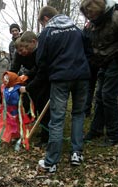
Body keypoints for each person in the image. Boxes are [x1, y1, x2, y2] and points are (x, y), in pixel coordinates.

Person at [20, 6, 90, 173]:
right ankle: (76, 153)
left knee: (57, 119)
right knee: (78, 114)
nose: (43, 26)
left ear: (45, 19)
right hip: (82, 76)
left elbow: (41, 61)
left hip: (60, 79)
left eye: (42, 23)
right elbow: (88, 51)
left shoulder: (47, 33)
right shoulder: (77, 30)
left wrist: (38, 81)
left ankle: (51, 161)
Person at [80, 0, 118, 146]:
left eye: (90, 12)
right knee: (99, 95)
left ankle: (114, 134)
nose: (88, 16)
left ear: (98, 8)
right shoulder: (95, 22)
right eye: (86, 13)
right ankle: (96, 129)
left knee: (108, 95)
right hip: (104, 62)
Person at [11, 31, 50, 147]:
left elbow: (39, 70)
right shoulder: (19, 55)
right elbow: (14, 68)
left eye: (23, 50)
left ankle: (46, 137)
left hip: (41, 80)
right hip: (31, 79)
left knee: (44, 107)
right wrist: (9, 79)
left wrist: (28, 84)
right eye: (19, 51)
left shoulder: (37, 51)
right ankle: (38, 128)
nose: (22, 53)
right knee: (34, 105)